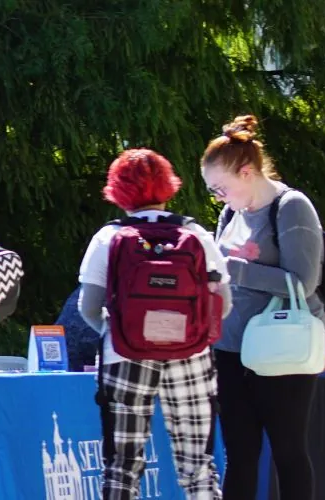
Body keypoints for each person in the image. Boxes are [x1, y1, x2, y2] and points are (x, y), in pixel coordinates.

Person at [78, 149, 230, 500]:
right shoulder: (196, 233)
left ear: (117, 189)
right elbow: (223, 303)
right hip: (191, 358)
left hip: (125, 357)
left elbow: (88, 307)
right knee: (198, 465)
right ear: (167, 185)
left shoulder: (108, 237)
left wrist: (116, 333)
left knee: (122, 466)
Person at [199, 115, 324, 500]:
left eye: (221, 188)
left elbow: (303, 283)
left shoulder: (292, 207)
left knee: (288, 451)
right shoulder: (230, 213)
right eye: (213, 191)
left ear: (248, 171)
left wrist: (234, 269)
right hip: (231, 348)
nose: (218, 197)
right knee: (240, 455)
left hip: (280, 349)